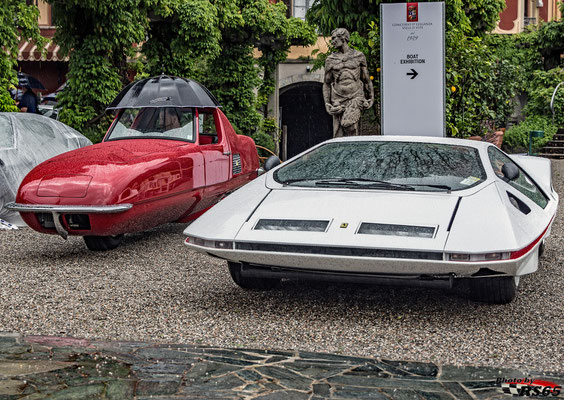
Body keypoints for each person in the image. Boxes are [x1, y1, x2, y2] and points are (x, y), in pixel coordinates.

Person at [323, 28, 374, 137]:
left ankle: (353, 150)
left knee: (350, 126)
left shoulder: (358, 56)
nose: (332, 42)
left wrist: (371, 97)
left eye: (334, 38)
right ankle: (343, 152)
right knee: (338, 133)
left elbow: (366, 79)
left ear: (343, 38)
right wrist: (327, 103)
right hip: (338, 99)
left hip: (355, 97)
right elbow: (326, 83)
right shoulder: (330, 59)